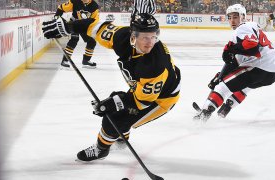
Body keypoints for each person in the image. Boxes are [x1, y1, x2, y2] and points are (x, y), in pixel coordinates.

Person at [42, 1, 181, 162]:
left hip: (161, 99)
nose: (150, 42)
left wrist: (114, 104)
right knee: (117, 104)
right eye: (145, 37)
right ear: (133, 36)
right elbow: (95, 26)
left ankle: (102, 149)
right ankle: (121, 136)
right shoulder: (122, 37)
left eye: (153, 37)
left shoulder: (154, 66)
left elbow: (142, 102)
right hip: (143, 90)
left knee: (112, 118)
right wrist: (68, 27)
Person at [194, 4, 275, 121]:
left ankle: (204, 114)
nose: (232, 20)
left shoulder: (242, 28)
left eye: (235, 17)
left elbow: (252, 46)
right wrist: (221, 75)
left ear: (243, 17)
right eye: (230, 17)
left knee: (222, 87)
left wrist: (230, 50)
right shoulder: (252, 27)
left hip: (258, 67)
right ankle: (225, 110)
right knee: (243, 86)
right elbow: (235, 61)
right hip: (272, 73)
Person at [55, 0, 99, 68]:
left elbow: (94, 20)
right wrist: (56, 17)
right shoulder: (74, 1)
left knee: (92, 42)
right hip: (74, 24)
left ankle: (86, 61)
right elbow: (61, 8)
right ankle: (65, 60)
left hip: (84, 25)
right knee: (74, 40)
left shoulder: (94, 5)